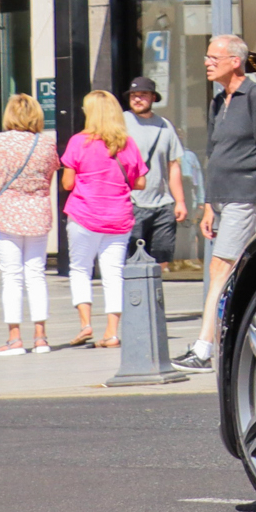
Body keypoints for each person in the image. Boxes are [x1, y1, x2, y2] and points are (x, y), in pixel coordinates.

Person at [173, 35, 256, 373]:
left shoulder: (255, 95)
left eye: (212, 57)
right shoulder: (219, 101)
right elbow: (214, 154)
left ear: (235, 61)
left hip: (245, 195)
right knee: (231, 270)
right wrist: (208, 204)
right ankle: (236, 340)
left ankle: (205, 349)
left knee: (219, 270)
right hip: (222, 198)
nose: (206, 62)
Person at [59, 89, 147, 349]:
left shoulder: (78, 142)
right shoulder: (127, 143)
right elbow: (140, 181)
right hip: (118, 217)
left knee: (80, 269)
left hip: (84, 215)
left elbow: (67, 183)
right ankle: (111, 332)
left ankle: (86, 324)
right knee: (113, 274)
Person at [0, 94, 59, 355]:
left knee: (11, 277)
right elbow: (49, 178)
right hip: (37, 213)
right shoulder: (47, 144)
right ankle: (41, 337)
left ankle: (15, 339)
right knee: (36, 275)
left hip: (6, 214)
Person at [122, 76, 187, 262]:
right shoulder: (121, 123)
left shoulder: (165, 126)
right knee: (131, 261)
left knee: (161, 260)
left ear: (153, 98)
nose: (137, 99)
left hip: (162, 205)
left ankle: (155, 291)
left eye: (142, 95)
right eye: (133, 95)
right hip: (131, 203)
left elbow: (173, 164)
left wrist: (180, 201)